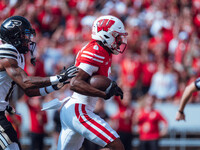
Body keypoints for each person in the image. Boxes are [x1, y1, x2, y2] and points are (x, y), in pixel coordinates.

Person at [0, 15, 77, 150]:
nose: (27, 40)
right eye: (23, 35)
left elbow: (29, 91)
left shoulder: (18, 55)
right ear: (13, 36)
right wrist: (58, 77)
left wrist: (54, 86)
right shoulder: (7, 50)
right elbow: (26, 82)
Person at [57, 15, 128, 150]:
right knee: (116, 146)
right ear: (106, 35)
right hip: (79, 110)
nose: (120, 41)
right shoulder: (95, 52)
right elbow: (74, 83)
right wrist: (102, 93)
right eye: (117, 37)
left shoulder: (104, 51)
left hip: (76, 109)